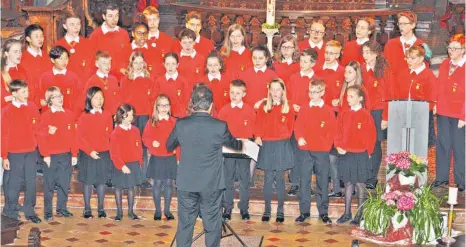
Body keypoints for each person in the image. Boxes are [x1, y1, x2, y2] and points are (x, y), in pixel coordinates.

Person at [166, 84, 243, 247]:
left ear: (192, 104)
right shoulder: (219, 126)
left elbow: (168, 146)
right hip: (211, 184)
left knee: (185, 224)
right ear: (211, 106)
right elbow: (235, 145)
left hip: (187, 183)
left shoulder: (181, 124)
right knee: (212, 224)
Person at [294, 79, 336, 224]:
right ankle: (304, 211)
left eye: (315, 92)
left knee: (322, 181)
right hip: (305, 150)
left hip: (321, 151)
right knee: (304, 180)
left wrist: (325, 145)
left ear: (322, 93)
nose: (312, 95)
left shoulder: (328, 110)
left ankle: (323, 212)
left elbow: (332, 131)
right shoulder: (304, 108)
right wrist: (299, 138)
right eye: (310, 92)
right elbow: (298, 126)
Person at [254, 78, 295, 223]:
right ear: (269, 91)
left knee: (280, 179)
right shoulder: (264, 106)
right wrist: (258, 136)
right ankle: (267, 209)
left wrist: (279, 133)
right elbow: (258, 123)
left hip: (281, 146)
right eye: (272, 89)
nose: (275, 92)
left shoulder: (287, 108)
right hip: (267, 145)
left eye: (278, 89)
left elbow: (289, 129)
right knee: (268, 179)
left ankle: (280, 210)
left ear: (283, 90)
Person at [1, 79, 42, 223]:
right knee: (14, 182)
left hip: (30, 151)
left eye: (27, 91)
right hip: (14, 152)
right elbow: (4, 134)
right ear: (14, 93)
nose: (27, 94)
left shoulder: (32, 107)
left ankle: (29, 210)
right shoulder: (6, 111)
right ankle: (10, 210)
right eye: (23, 92)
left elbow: (37, 127)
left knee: (31, 181)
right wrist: (4, 156)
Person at [335, 85, 376, 225]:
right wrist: (338, 145)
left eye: (351, 96)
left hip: (360, 155)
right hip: (346, 154)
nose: (348, 99)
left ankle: (360, 214)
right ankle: (347, 213)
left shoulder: (366, 115)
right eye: (347, 96)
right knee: (348, 183)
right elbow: (338, 131)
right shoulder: (344, 113)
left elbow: (371, 136)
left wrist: (368, 152)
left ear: (360, 98)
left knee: (359, 184)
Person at [37, 86, 78, 221]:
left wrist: (74, 154)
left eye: (61, 95)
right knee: (49, 185)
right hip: (51, 156)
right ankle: (48, 211)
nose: (60, 98)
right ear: (49, 100)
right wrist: (46, 154)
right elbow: (41, 137)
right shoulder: (46, 116)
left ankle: (62, 208)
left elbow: (73, 135)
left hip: (66, 155)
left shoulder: (69, 114)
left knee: (64, 183)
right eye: (56, 96)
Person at [218, 79, 256, 221]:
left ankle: (244, 209)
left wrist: (248, 138)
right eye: (232, 92)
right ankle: (227, 208)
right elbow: (220, 129)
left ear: (244, 94)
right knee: (227, 180)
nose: (234, 95)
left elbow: (253, 129)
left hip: (243, 149)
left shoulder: (249, 110)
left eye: (238, 93)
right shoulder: (224, 110)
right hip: (228, 149)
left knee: (244, 180)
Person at [433, 33, 465, 191]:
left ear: (463, 50)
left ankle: (462, 181)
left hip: (460, 115)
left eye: (455, 48)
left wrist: (464, 116)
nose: (451, 50)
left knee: (460, 147)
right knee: (443, 145)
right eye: (450, 47)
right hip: (443, 112)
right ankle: (441, 179)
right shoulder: (445, 63)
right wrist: (435, 104)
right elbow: (439, 86)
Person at [77, 86, 114, 218]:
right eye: (96, 98)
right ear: (89, 99)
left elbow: (110, 134)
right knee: (88, 181)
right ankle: (87, 208)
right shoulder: (84, 116)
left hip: (104, 153)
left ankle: (100, 208)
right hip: (88, 154)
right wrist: (90, 151)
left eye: (101, 98)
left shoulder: (108, 115)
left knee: (101, 181)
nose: (100, 100)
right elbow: (80, 137)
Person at [287, 48, 319, 196]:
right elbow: (287, 96)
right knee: (295, 151)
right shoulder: (294, 78)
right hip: (295, 118)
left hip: (310, 119)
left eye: (305, 61)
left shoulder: (316, 80)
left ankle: (307, 183)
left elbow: (318, 98)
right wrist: (292, 104)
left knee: (307, 153)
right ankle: (294, 183)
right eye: (301, 60)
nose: (302, 64)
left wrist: (305, 108)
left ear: (313, 63)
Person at [391, 44, 436, 147]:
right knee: (402, 147)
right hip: (403, 116)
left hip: (421, 118)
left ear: (421, 58)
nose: (408, 61)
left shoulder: (429, 76)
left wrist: (417, 112)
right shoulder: (402, 74)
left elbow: (432, 100)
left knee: (418, 151)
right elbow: (396, 94)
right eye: (407, 58)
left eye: (412, 58)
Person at [121, 51, 154, 187]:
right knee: (131, 146)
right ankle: (130, 175)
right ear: (131, 64)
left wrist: (152, 117)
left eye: (141, 62)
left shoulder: (150, 79)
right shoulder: (126, 79)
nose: (139, 65)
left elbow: (153, 99)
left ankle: (144, 176)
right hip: (131, 117)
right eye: (136, 62)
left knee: (144, 146)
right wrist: (124, 117)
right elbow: (122, 99)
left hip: (145, 116)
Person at [361, 41, 391, 189]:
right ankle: (363, 173)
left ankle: (372, 177)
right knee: (363, 143)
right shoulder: (361, 69)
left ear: (377, 53)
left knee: (375, 144)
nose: (366, 55)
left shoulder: (383, 70)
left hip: (378, 111)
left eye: (369, 52)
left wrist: (386, 116)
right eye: (364, 52)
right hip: (363, 111)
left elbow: (388, 94)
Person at [142, 95, 177, 221]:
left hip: (170, 156)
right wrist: (152, 142)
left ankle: (167, 210)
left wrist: (177, 155)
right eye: (161, 105)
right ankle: (158, 210)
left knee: (169, 183)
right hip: (157, 157)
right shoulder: (151, 121)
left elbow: (179, 140)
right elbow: (145, 138)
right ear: (156, 107)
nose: (164, 108)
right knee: (156, 183)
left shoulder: (174, 122)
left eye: (166, 105)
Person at [110, 104, 144, 221]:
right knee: (118, 188)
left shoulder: (135, 130)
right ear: (121, 116)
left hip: (133, 163)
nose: (130, 118)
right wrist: (121, 165)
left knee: (131, 188)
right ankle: (119, 211)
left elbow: (139, 146)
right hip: (121, 164)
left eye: (131, 115)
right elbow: (114, 152)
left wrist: (140, 160)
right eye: (127, 115)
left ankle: (130, 211)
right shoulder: (116, 132)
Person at [89, 3, 130, 80]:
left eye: (116, 15)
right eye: (110, 16)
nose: (114, 19)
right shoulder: (95, 36)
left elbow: (128, 57)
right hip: (105, 80)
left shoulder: (124, 33)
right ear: (104, 17)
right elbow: (92, 65)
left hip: (124, 79)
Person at [54, 12, 96, 83]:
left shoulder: (88, 44)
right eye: (72, 24)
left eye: (78, 24)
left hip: (85, 86)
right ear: (65, 26)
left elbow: (94, 66)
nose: (76, 27)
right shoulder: (58, 45)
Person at [38, 46, 82, 112]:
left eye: (66, 58)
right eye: (61, 58)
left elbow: (80, 99)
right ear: (52, 60)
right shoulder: (45, 77)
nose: (64, 62)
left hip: (69, 115)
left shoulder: (74, 77)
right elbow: (41, 98)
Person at [384, 11, 425, 76]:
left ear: (413, 25)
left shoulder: (422, 45)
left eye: (404, 24)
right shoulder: (390, 44)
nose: (401, 27)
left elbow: (424, 71)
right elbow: (385, 68)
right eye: (400, 24)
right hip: (393, 84)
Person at [239, 45, 279, 109]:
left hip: (265, 111)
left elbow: (277, 96)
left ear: (266, 59)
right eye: (254, 58)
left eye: (260, 58)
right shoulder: (244, 74)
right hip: (247, 110)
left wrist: (264, 102)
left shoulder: (273, 76)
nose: (257, 61)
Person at [21, 24, 51, 105]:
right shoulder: (22, 59)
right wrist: (37, 101)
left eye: (41, 36)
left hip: (49, 101)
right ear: (28, 39)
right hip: (31, 102)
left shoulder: (47, 56)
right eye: (36, 36)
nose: (40, 39)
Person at [153, 52, 190, 118]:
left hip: (179, 117)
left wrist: (181, 114)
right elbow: (155, 100)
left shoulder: (183, 81)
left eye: (173, 64)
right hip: (163, 116)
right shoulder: (158, 81)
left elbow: (186, 101)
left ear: (177, 65)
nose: (170, 67)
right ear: (164, 65)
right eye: (167, 64)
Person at [1, 39, 29, 108]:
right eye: (15, 52)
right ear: (6, 53)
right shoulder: (2, 72)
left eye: (20, 51)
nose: (19, 54)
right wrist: (7, 98)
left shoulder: (24, 70)